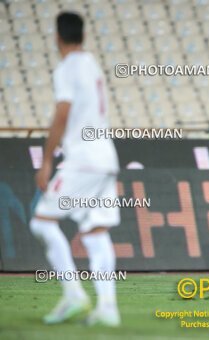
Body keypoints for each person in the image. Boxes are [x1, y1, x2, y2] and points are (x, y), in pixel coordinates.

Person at [30, 12, 121, 327]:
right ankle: (107, 308)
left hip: (83, 158)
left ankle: (73, 294)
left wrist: (46, 159)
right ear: (82, 35)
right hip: (106, 157)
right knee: (96, 232)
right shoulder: (92, 63)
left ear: (57, 36)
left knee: (42, 223)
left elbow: (62, 112)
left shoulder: (67, 67)